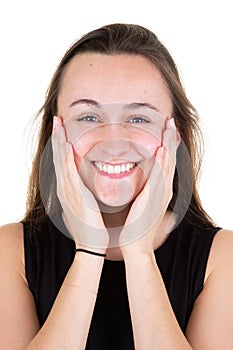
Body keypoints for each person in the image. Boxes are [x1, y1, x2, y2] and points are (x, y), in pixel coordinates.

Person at [0, 23, 232, 350]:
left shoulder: (222, 259)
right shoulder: (10, 253)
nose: (113, 142)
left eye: (139, 119)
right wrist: (89, 251)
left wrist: (138, 251)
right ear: (57, 136)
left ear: (174, 135)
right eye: (88, 117)